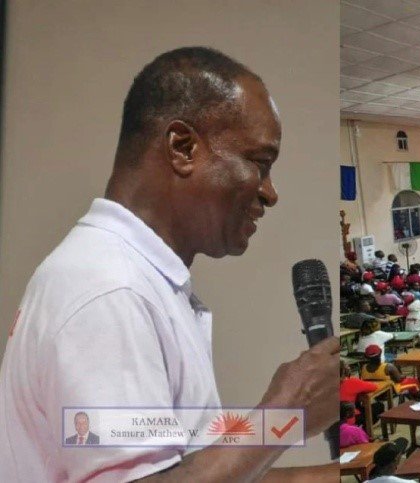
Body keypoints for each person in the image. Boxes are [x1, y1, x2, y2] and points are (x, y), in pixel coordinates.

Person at [0, 47, 340, 481]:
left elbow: (188, 471)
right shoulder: (109, 289)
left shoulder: (134, 278)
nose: (269, 193)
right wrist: (284, 413)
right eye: (259, 163)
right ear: (182, 148)